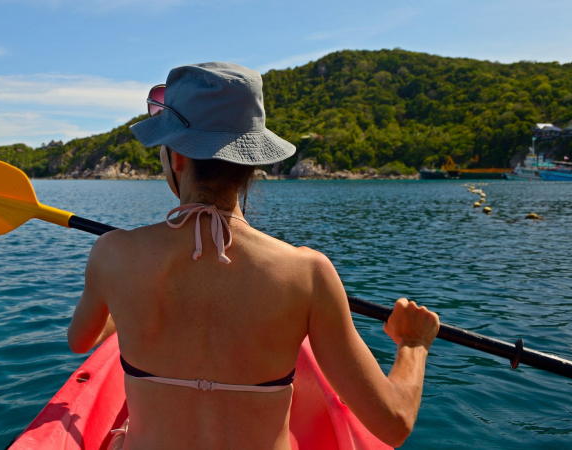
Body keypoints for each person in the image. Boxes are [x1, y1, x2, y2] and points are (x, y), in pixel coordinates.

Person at [67, 62, 439, 450]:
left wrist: (127, 305)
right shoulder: (308, 274)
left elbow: (80, 340)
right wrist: (413, 345)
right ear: (253, 162)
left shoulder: (112, 254)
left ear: (176, 156)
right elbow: (394, 423)